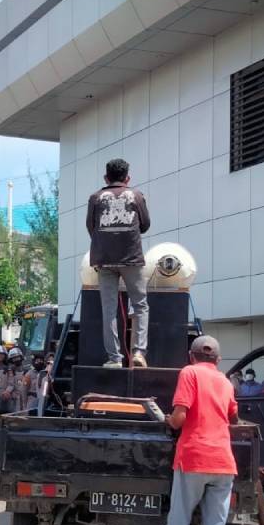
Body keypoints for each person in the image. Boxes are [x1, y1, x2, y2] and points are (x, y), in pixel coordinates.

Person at [148, 335, 236, 525]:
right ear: (218, 360)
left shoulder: (189, 373)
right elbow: (232, 415)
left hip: (193, 458)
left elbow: (180, 417)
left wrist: (166, 419)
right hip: (223, 463)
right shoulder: (225, 381)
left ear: (191, 356)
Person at [85, 158, 151, 369]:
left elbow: (91, 227)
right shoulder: (137, 196)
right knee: (140, 305)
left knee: (109, 309)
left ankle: (114, 358)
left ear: (106, 177)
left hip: (104, 260)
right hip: (131, 258)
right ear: (127, 178)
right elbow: (146, 225)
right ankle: (139, 352)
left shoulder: (95, 198)